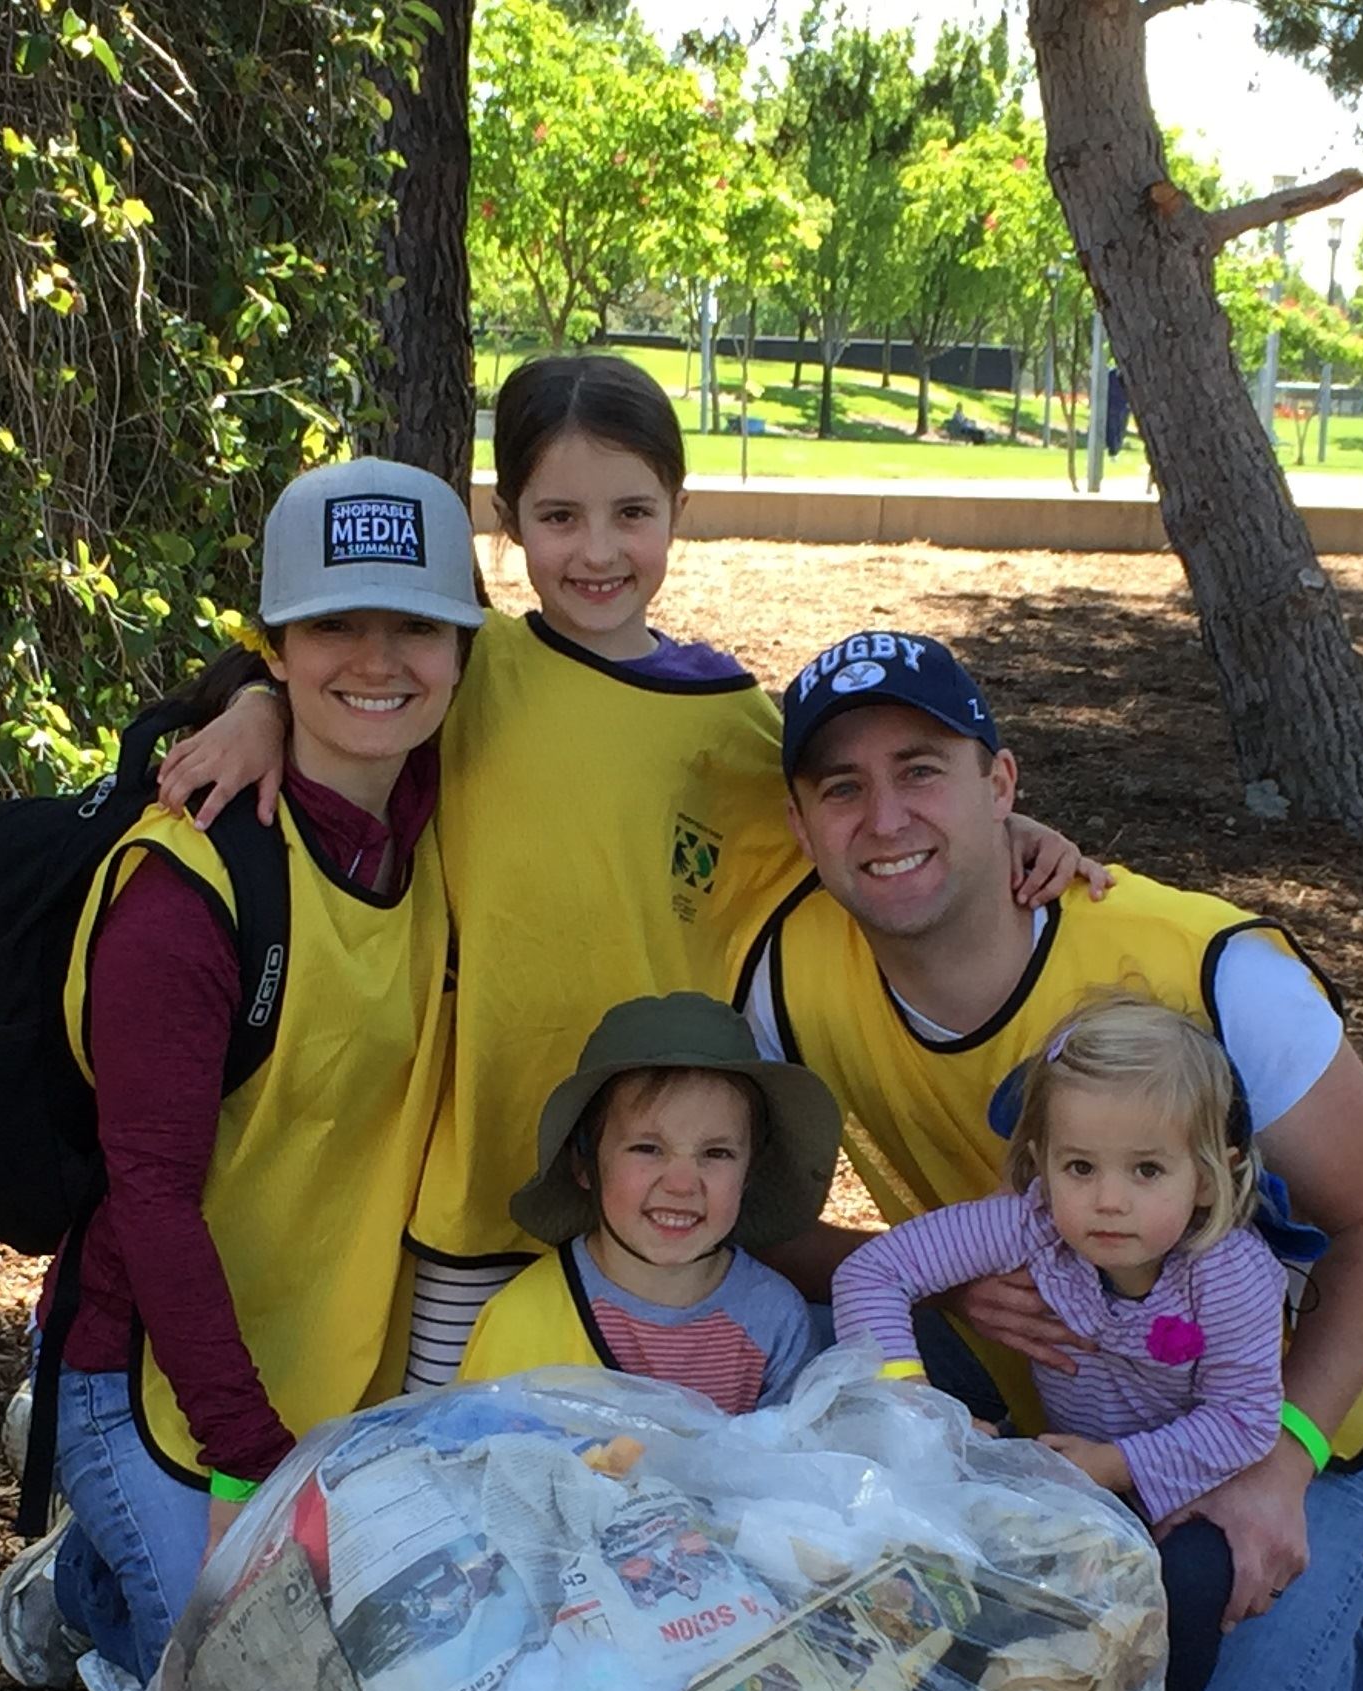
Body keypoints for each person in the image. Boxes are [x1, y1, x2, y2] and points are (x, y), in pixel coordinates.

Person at [149, 354, 1093, 1391]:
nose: (596, 552)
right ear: (506, 519)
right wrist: (255, 708)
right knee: (463, 1474)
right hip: (471, 1188)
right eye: (557, 517)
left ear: (678, 510)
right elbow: (352, 682)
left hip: (659, 1194)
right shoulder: (474, 672)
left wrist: (1011, 828)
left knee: (646, 1501)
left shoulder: (737, 729)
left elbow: (858, 819)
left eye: (630, 512)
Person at [739, 628, 1363, 1691]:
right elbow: (761, 1220)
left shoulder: (1200, 966)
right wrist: (942, 1303)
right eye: (839, 787)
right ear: (801, 827)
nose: (884, 815)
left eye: (921, 769)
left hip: (1303, 1397)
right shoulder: (785, 978)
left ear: (1002, 786)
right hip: (1071, 1409)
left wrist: (1280, 1464)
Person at [0, 457, 481, 1691]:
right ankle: (86, 1562)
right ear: (274, 645)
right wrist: (253, 1470)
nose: (376, 659)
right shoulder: (189, 891)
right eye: (332, 626)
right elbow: (150, 1201)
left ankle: (103, 1580)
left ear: (464, 650)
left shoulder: (438, 807)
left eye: (414, 624)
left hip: (336, 1364)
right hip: (158, 1383)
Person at [831, 991, 1281, 1691]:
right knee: (994, 1581)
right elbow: (873, 1273)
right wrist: (909, 1402)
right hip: (1068, 1478)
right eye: (1080, 1166)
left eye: (1145, 1170)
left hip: (1186, 1489)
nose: (1107, 1200)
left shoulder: (1224, 1271)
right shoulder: (1035, 1221)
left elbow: (1244, 1419)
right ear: (1042, 1162)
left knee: (1188, 1585)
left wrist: (1115, 1465)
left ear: (1207, 1174)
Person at [458, 992, 838, 1414]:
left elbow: (797, 1468)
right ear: (584, 1164)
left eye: (716, 1154)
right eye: (646, 1148)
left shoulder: (774, 1320)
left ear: (750, 1173)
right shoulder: (524, 1320)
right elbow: (480, 1462)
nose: (680, 1184)